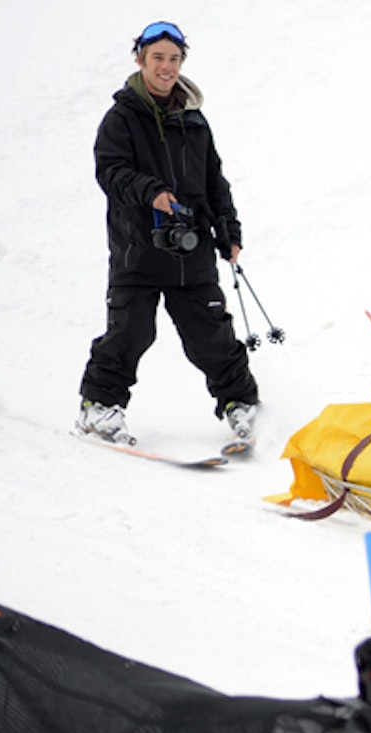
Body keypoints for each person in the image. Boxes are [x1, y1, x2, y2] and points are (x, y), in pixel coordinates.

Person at [76, 21, 260, 446]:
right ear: (140, 59)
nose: (166, 67)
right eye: (157, 57)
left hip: (190, 250)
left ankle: (242, 405)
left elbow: (214, 182)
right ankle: (98, 409)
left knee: (211, 334)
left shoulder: (194, 121)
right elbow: (111, 171)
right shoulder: (121, 119)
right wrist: (152, 192)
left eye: (174, 58)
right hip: (138, 248)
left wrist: (227, 231)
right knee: (131, 332)